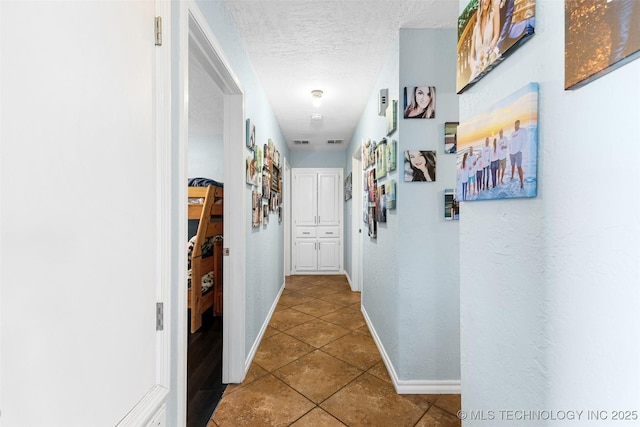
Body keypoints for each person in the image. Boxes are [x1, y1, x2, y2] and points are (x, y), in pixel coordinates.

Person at [469, 0, 501, 78]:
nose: (485, 1)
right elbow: (471, 57)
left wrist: (489, 53)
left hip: (491, 60)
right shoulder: (475, 28)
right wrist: (475, 69)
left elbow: (496, 36)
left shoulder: (493, 14)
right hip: (477, 71)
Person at [509, 119, 528, 189]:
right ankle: (512, 176)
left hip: (518, 152)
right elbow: (510, 143)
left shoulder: (522, 131)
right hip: (511, 153)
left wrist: (520, 150)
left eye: (517, 124)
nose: (516, 125)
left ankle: (522, 182)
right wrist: (509, 151)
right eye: (515, 124)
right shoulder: (512, 133)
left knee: (519, 167)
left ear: (519, 124)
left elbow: (525, 140)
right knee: (512, 165)